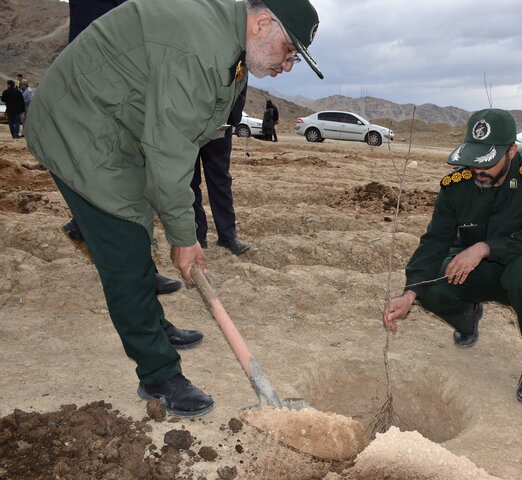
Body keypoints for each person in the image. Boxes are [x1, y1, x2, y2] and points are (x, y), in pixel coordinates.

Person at [25, 0, 323, 417]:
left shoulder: (229, 44)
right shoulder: (200, 50)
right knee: (125, 243)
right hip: (77, 125)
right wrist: (184, 239)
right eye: (290, 52)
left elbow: (183, 139)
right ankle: (159, 375)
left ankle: (155, 325)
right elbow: (169, 154)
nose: (288, 65)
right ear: (261, 23)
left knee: (141, 212)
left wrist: (178, 220)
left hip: (120, 123)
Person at [383, 109, 522, 406]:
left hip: (514, 270)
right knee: (431, 286)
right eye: (473, 158)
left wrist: (483, 248)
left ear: (512, 151)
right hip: (470, 272)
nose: (478, 169)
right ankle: (468, 320)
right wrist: (409, 294)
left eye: (487, 161)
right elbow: (435, 241)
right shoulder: (456, 185)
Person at [62, 0, 183, 296]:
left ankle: (135, 265)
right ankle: (137, 275)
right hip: (103, 93)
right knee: (124, 188)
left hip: (115, 90)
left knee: (129, 186)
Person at [192, 85, 252, 255]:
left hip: (220, 127)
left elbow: (239, 88)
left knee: (221, 181)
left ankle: (227, 236)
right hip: (190, 124)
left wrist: (230, 119)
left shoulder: (236, 59)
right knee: (189, 181)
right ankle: (197, 235)